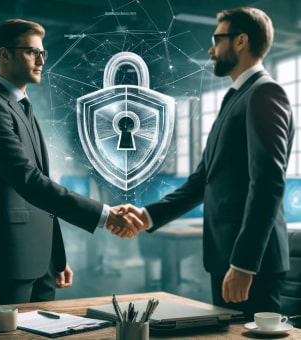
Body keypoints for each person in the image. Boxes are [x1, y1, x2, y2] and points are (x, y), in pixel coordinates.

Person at [110, 7, 295, 319]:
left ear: (241, 42)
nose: (210, 49)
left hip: (250, 262)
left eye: (217, 39)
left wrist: (244, 263)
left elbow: (268, 184)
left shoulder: (265, 93)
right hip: (227, 257)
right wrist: (147, 215)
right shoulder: (236, 97)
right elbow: (202, 181)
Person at [0, 18, 143, 306]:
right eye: (31, 52)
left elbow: (41, 191)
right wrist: (105, 214)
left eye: (42, 53)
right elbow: (29, 181)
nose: (41, 60)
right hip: (10, 260)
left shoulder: (24, 108)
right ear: (5, 55)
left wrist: (56, 257)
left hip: (41, 261)